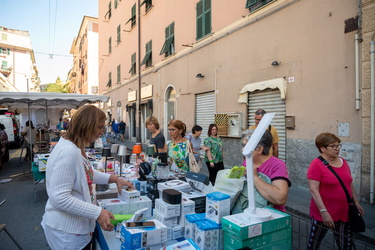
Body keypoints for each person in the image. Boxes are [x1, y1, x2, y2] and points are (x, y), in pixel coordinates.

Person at [41, 105, 134, 250]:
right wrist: (97, 212)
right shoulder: (68, 152)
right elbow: (59, 198)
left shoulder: (74, 147)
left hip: (74, 229)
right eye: (99, 127)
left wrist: (114, 179)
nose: (102, 132)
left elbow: (87, 172)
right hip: (68, 233)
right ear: (86, 126)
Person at [307, 132, 364, 250]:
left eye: (338, 145)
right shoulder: (316, 165)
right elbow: (314, 190)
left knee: (346, 246)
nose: (337, 149)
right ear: (322, 148)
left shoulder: (343, 162)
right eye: (333, 146)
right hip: (323, 214)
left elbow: (349, 183)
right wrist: (324, 212)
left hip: (344, 211)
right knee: (313, 244)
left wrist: (356, 202)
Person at [234, 129, 290, 212]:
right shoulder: (247, 161)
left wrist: (254, 177)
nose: (242, 150)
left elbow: (280, 199)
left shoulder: (278, 165)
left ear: (259, 149)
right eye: (242, 146)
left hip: (271, 216)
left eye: (246, 146)